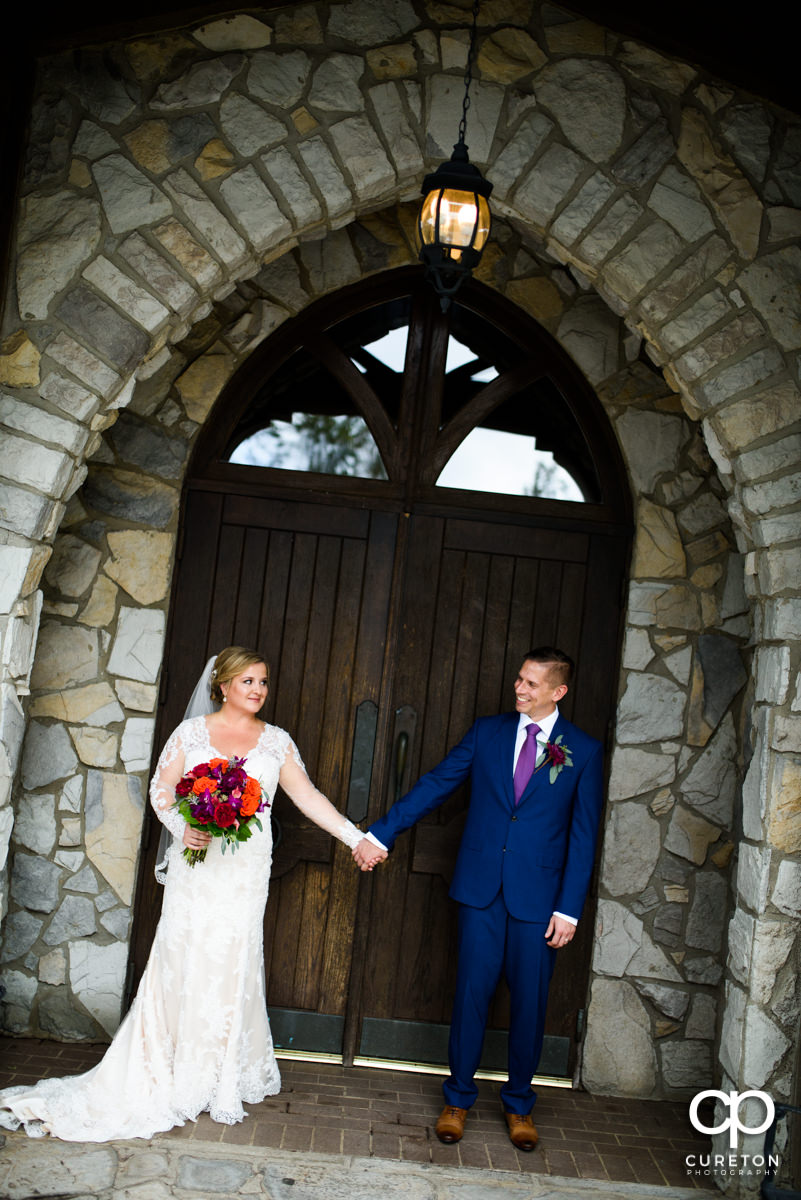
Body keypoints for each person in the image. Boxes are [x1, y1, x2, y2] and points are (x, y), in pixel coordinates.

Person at [0, 646, 371, 1142]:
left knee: (233, 956)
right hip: (197, 866)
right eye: (248, 682)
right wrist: (182, 825)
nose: (258, 690)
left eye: (263, 682)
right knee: (182, 953)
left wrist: (356, 838)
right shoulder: (192, 733)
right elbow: (161, 788)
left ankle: (218, 1072)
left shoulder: (276, 742)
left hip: (244, 870)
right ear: (222, 686)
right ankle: (166, 1066)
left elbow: (308, 798)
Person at [352, 646, 604, 1152]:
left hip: (540, 900)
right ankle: (457, 1099)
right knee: (471, 994)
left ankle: (519, 1105)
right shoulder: (487, 733)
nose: (519, 688)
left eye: (532, 684)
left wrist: (569, 907)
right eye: (519, 679)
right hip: (480, 891)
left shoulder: (583, 750)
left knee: (530, 1005)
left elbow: (584, 835)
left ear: (558, 692)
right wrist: (381, 833)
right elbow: (437, 784)